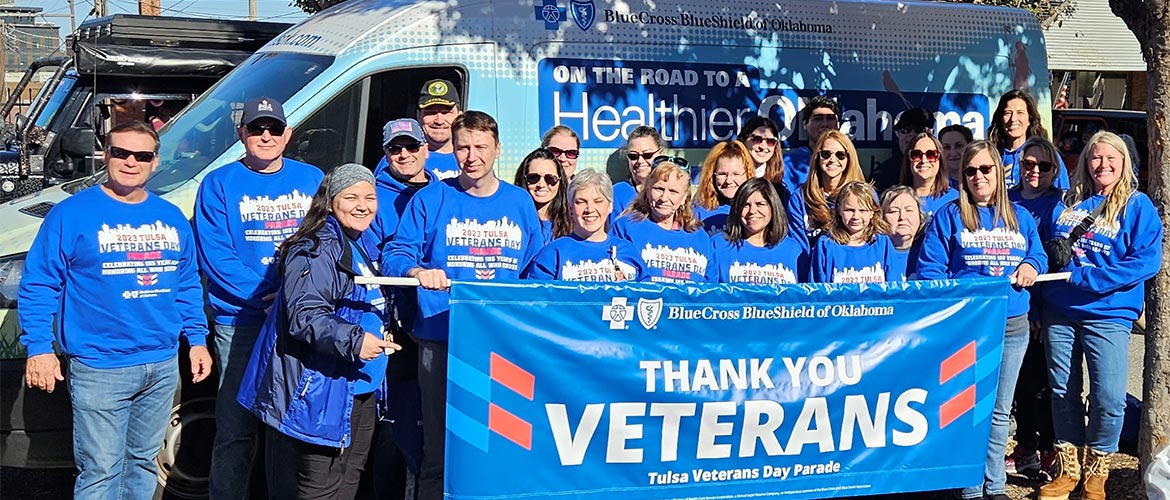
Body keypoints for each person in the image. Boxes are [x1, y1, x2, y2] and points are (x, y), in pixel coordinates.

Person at [19, 121, 213, 499]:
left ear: (155, 162)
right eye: (120, 152)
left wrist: (198, 340)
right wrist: (39, 348)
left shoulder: (171, 216)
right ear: (105, 155)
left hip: (161, 364)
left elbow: (187, 283)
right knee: (101, 472)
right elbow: (40, 283)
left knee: (142, 464)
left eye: (142, 155)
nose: (130, 162)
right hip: (99, 366)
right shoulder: (70, 214)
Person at [382, 111, 543, 500]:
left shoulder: (519, 202)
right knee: (439, 453)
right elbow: (395, 255)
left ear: (498, 149)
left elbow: (537, 269)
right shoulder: (432, 198)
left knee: (501, 448)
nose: (471, 156)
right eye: (463, 147)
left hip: (503, 347)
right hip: (442, 340)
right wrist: (416, 270)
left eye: (480, 147)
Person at [237, 163, 401, 500]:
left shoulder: (359, 240)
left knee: (348, 478)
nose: (363, 204)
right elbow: (307, 315)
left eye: (370, 197)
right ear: (329, 201)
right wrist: (355, 341)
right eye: (351, 196)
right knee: (320, 488)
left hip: (360, 386)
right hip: (324, 388)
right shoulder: (317, 246)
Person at [193, 96, 324, 499]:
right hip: (241, 323)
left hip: (296, 320)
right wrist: (266, 295)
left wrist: (294, 300)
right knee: (235, 430)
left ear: (288, 134)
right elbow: (216, 256)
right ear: (241, 134)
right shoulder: (217, 183)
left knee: (286, 429)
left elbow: (324, 242)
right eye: (255, 128)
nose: (264, 136)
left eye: (272, 128)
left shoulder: (313, 178)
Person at [918, 139, 1046, 500]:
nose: (978, 176)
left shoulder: (1020, 216)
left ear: (999, 173)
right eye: (970, 171)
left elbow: (1038, 254)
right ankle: (971, 488)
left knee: (1000, 410)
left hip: (1012, 324)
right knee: (968, 409)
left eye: (985, 169)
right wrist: (963, 291)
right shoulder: (950, 215)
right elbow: (931, 270)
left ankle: (997, 486)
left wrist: (1030, 265)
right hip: (968, 327)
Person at [1039, 132, 1162, 500]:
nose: (1102, 165)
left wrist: (1090, 278)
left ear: (1124, 162)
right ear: (1085, 163)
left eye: (1111, 158)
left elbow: (1145, 262)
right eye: (1095, 157)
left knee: (1108, 396)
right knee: (1063, 391)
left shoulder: (1137, 206)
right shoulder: (1068, 203)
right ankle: (1068, 469)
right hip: (1058, 309)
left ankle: (1098, 471)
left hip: (1108, 314)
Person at [361, 118, 432, 500]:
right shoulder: (373, 194)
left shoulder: (441, 191)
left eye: (411, 146)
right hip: (393, 324)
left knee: (431, 424)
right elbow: (372, 261)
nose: (403, 154)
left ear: (426, 148)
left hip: (435, 321)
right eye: (394, 148)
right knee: (393, 425)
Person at [1004, 135, 1064, 483]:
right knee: (1023, 385)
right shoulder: (1008, 202)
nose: (1035, 171)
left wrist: (1040, 312)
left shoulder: (1060, 203)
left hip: (1049, 304)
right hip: (1019, 307)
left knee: (1047, 383)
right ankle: (1025, 447)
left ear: (1055, 170)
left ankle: (1051, 451)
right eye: (1029, 164)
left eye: (1043, 165)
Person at [524, 169, 646, 281]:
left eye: (598, 201)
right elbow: (536, 299)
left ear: (610, 206)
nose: (589, 209)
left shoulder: (628, 251)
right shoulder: (553, 253)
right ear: (571, 208)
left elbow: (648, 297)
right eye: (581, 202)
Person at [611, 160, 713, 284]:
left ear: (684, 198)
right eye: (659, 189)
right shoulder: (625, 227)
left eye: (673, 191)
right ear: (647, 190)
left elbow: (710, 288)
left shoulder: (700, 237)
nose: (664, 198)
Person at [711, 177, 807, 284]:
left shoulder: (793, 250)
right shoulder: (718, 246)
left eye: (760, 204)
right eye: (746, 205)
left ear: (773, 207)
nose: (752, 211)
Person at [737, 116, 808, 251]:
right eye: (757, 139)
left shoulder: (781, 189)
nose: (763, 146)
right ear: (744, 141)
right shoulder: (731, 181)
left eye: (770, 142)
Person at [810, 181, 902, 283]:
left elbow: (894, 287)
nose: (856, 217)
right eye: (849, 210)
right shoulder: (826, 244)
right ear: (839, 209)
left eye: (863, 210)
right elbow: (817, 290)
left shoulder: (882, 243)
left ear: (872, 212)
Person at [988, 89, 1070, 190]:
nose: (1013, 119)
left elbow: (1063, 196)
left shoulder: (1047, 156)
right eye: (1008, 113)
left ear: (1029, 120)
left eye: (1020, 113)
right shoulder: (991, 155)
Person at [799, 130, 867, 245]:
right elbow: (798, 243)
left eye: (840, 155)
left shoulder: (867, 195)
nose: (832, 160)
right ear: (817, 157)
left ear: (849, 159)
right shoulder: (800, 197)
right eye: (826, 154)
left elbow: (872, 237)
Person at [693, 140, 753, 235]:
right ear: (712, 175)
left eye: (736, 174)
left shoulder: (756, 210)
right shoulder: (699, 210)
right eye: (722, 174)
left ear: (748, 174)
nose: (729, 181)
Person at [514, 148, 572, 244]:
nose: (541, 184)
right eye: (533, 178)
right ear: (523, 179)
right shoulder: (513, 220)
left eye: (550, 178)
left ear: (559, 181)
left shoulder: (573, 223)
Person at [871, 108, 934, 192]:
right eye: (906, 129)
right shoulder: (882, 174)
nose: (912, 134)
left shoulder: (940, 168)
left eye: (919, 129)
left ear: (931, 133)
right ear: (898, 133)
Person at [783, 95, 840, 189]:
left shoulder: (845, 159)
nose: (825, 124)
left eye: (830, 118)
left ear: (838, 125)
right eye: (818, 119)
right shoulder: (789, 162)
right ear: (805, 125)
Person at [900, 132, 958, 218]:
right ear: (909, 160)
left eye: (931, 154)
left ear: (940, 160)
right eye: (916, 154)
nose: (924, 160)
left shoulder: (956, 199)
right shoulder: (896, 199)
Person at [613, 126, 667, 218]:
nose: (640, 161)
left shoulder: (671, 190)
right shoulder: (616, 193)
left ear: (660, 153)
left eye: (647, 155)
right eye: (633, 156)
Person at [416, 78, 464, 180]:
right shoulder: (401, 160)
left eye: (446, 112)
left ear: (459, 117)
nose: (439, 121)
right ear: (418, 116)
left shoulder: (473, 159)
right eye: (430, 112)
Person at [880, 186, 925, 280]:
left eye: (909, 210)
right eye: (893, 211)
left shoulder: (930, 252)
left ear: (920, 217)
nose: (902, 217)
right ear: (881, 218)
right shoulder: (875, 252)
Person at [939, 124, 974, 189]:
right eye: (947, 147)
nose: (953, 153)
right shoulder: (934, 183)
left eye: (959, 146)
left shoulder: (980, 178)